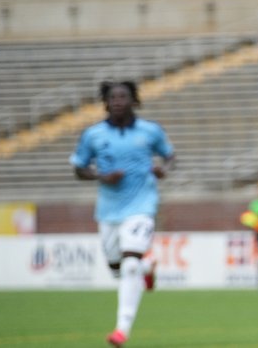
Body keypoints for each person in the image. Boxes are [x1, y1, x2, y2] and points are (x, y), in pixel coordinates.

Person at [70, 80, 175, 348]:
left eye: (123, 96)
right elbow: (79, 168)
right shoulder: (93, 135)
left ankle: (121, 330)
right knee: (118, 269)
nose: (117, 101)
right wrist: (101, 176)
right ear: (105, 103)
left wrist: (164, 169)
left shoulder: (150, 131)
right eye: (113, 97)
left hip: (142, 206)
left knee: (129, 265)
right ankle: (147, 268)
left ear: (134, 101)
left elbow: (170, 156)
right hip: (108, 211)